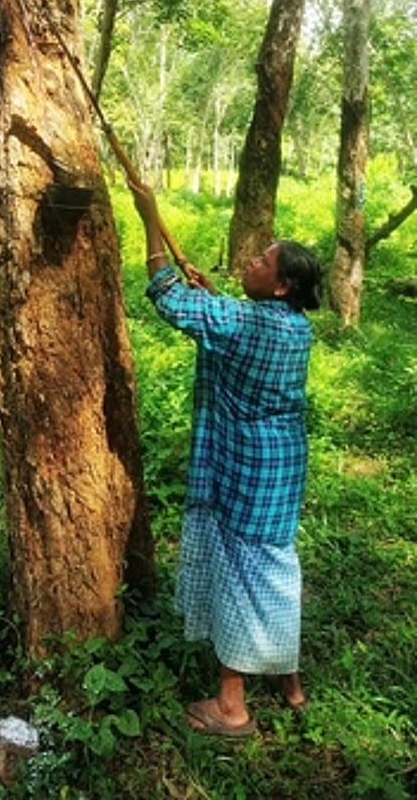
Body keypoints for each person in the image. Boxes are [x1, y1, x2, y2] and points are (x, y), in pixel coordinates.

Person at [129, 181, 323, 738]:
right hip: (279, 469)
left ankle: (232, 705)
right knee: (274, 568)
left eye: (263, 260)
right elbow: (231, 327)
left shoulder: (243, 322)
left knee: (244, 576)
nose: (252, 259)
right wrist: (216, 295)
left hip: (245, 470)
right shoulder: (293, 326)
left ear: (281, 286)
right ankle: (290, 686)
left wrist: (150, 218)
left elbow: (167, 295)